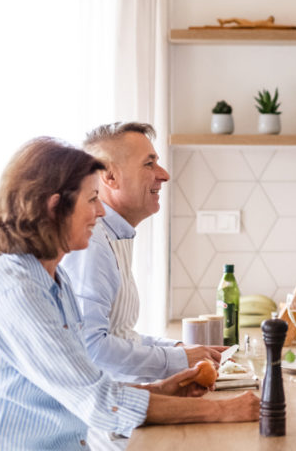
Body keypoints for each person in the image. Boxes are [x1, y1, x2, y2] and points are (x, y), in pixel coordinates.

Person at [0, 137, 258, 450]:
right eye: (92, 200)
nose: (100, 212)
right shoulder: (19, 294)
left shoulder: (53, 280)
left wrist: (164, 389)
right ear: (55, 207)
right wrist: (222, 410)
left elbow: (88, 383)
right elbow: (100, 402)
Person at [62, 122, 224, 385]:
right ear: (110, 177)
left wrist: (178, 349)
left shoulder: (114, 234)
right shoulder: (92, 242)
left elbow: (122, 336)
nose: (164, 175)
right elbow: (92, 347)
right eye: (149, 164)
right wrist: (180, 358)